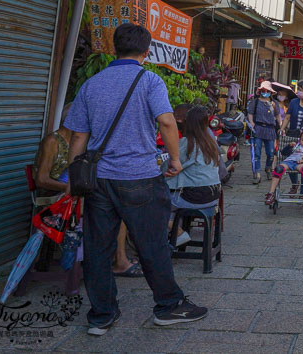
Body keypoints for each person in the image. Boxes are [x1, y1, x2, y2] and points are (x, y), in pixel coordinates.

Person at [65, 23, 207, 335]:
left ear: (115, 48)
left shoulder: (92, 84)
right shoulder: (149, 80)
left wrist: (75, 176)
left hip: (99, 180)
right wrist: (175, 158)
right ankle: (168, 306)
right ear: (146, 51)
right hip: (140, 177)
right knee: (152, 245)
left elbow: (78, 136)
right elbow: (168, 122)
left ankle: (101, 315)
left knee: (97, 249)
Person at [166, 106, 221, 245]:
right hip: (213, 196)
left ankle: (177, 232)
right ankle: (172, 229)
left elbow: (170, 164)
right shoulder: (211, 142)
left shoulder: (187, 143)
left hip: (194, 197)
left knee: (153, 203)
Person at [263, 130, 303, 206]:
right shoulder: (295, 146)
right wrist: (289, 146)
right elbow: (283, 153)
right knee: (278, 169)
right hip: (289, 162)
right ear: (299, 139)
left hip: (301, 164)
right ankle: (271, 193)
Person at [247, 81, 281, 184]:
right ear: (260, 91)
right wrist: (252, 122)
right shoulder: (255, 102)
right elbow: (250, 113)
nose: (265, 92)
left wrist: (281, 126)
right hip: (258, 129)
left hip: (270, 130)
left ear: (271, 92)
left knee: (271, 153)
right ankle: (257, 173)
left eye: (267, 91)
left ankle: (268, 168)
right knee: (256, 153)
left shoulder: (274, 103)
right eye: (263, 90)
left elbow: (278, 116)